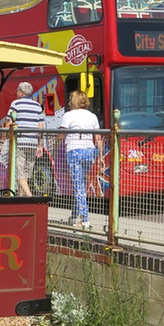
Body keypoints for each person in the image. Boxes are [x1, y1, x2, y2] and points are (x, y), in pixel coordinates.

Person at [60, 90, 102, 229]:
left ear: (74, 101)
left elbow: (61, 134)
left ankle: (85, 220)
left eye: (70, 99)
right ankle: (74, 215)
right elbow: (98, 138)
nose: (68, 101)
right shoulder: (92, 116)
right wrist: (100, 156)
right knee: (80, 184)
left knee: (78, 185)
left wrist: (54, 137)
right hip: (89, 151)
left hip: (74, 151)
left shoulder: (68, 115)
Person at [5, 81, 45, 197]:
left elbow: (9, 123)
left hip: (20, 142)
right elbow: (41, 127)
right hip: (32, 143)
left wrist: (2, 140)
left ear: (21, 92)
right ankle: (20, 199)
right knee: (26, 173)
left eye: (17, 90)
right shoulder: (37, 106)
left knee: (20, 172)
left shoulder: (16, 104)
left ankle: (29, 195)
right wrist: (40, 145)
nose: (16, 93)